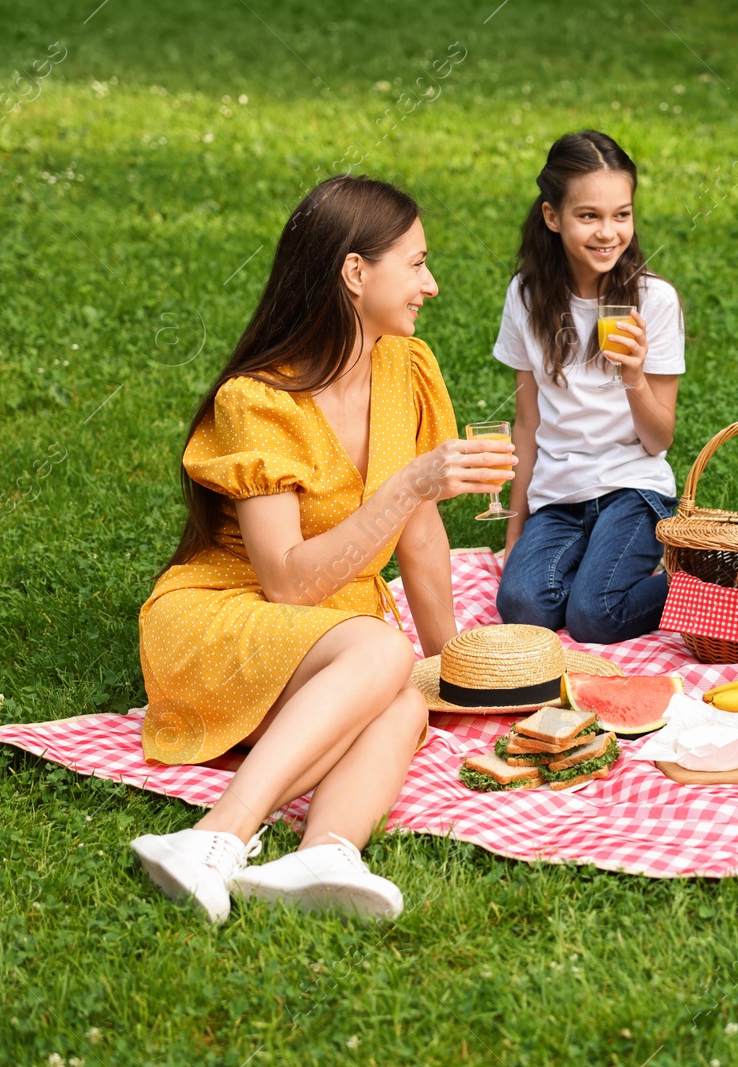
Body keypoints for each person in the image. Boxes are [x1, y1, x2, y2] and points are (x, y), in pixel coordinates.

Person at [131, 176, 515, 923]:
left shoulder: (406, 368)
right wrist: (407, 487)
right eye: (417, 263)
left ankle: (323, 853)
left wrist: (459, 675)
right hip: (221, 618)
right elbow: (287, 585)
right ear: (354, 272)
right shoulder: (257, 400)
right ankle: (214, 836)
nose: (431, 285)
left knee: (405, 700)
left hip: (333, 644)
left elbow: (424, 541)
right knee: (380, 653)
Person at [492, 130, 685, 644]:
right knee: (522, 605)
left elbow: (659, 439)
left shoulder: (653, 301)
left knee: (593, 618)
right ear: (553, 217)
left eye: (622, 214)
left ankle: (695, 581)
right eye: (589, 216)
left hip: (633, 487)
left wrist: (635, 377)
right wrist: (515, 534)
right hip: (559, 495)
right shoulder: (526, 297)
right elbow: (527, 423)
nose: (608, 233)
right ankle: (592, 564)